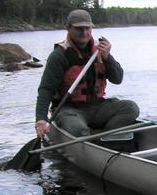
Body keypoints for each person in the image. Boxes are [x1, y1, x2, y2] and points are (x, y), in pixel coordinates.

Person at [35, 9, 139, 138]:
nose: (84, 33)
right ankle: (89, 139)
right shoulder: (59, 55)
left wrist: (108, 58)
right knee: (78, 130)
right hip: (69, 109)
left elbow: (118, 79)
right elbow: (46, 89)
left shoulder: (100, 50)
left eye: (87, 28)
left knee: (130, 108)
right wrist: (41, 118)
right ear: (68, 28)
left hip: (97, 107)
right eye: (79, 29)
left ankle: (106, 139)